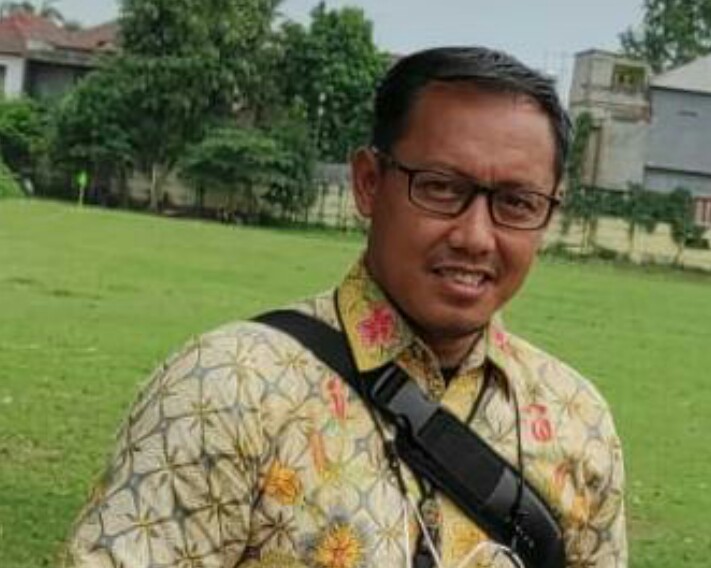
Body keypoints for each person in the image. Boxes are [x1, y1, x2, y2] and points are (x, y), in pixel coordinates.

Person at [66, 46, 626, 568]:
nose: (476, 237)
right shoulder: (228, 389)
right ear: (368, 183)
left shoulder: (578, 421)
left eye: (517, 203)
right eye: (439, 187)